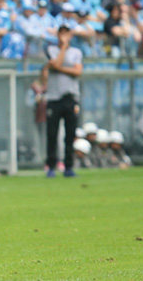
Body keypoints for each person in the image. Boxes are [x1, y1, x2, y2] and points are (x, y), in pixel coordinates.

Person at [44, 25, 83, 178]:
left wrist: (59, 68)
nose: (64, 36)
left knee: (70, 134)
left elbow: (78, 71)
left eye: (67, 34)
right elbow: (55, 63)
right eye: (62, 34)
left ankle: (68, 167)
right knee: (52, 134)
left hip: (70, 97)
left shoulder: (76, 52)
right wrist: (64, 48)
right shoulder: (51, 49)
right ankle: (51, 166)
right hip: (54, 98)